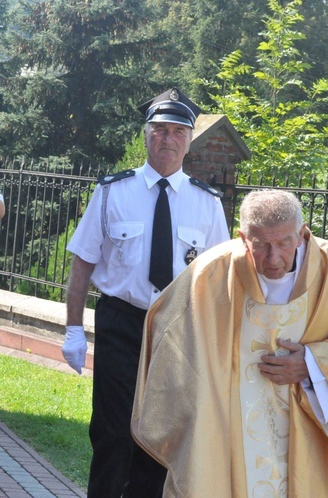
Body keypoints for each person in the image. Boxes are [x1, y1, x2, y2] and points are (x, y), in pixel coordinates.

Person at [63, 88, 230, 497]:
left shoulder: (206, 204)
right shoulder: (112, 192)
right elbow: (82, 264)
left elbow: (220, 280)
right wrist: (72, 328)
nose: (167, 139)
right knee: (112, 432)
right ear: (145, 135)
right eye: (159, 130)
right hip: (121, 322)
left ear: (189, 140)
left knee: (159, 440)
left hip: (177, 329)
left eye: (177, 131)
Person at [133, 189, 328, 496]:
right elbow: (169, 335)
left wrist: (313, 364)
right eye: (261, 245)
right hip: (229, 430)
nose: (273, 258)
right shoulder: (209, 275)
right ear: (242, 237)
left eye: (283, 243)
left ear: (301, 234)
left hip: (310, 434)